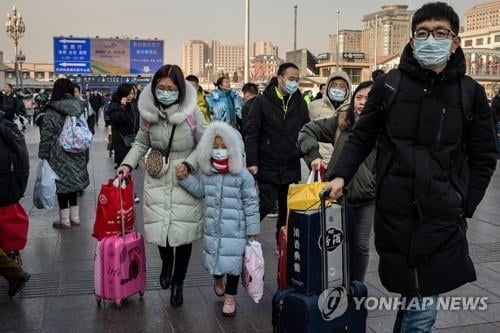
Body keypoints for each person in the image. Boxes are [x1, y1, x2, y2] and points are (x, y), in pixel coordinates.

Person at [325, 3, 497, 331]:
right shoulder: (390, 85)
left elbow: (485, 153)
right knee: (413, 293)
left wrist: (465, 200)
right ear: (412, 39)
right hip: (396, 211)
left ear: (455, 41)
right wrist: (340, 176)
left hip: (443, 213)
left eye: (440, 33)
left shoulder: (469, 92)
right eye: (423, 33)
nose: (431, 39)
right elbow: (362, 136)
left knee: (422, 304)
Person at [117, 64, 207, 308]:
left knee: (184, 235)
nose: (165, 92)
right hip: (157, 175)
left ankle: (178, 282)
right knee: (160, 230)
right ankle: (167, 263)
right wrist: (127, 165)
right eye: (161, 88)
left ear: (180, 90)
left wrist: (189, 165)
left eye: (171, 88)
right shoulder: (148, 113)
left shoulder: (191, 114)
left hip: (184, 178)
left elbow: (205, 144)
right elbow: (140, 143)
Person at [176, 121, 259, 317]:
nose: (220, 151)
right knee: (214, 259)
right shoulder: (207, 173)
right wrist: (185, 179)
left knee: (233, 265)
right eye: (215, 147)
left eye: (224, 147)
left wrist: (252, 230)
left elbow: (251, 202)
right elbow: (200, 191)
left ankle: (230, 297)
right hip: (213, 227)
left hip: (236, 229)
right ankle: (217, 278)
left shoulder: (243, 176)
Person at [299, 81, 375, 282]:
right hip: (336, 195)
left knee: (360, 245)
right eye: (359, 97)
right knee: (333, 243)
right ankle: (333, 283)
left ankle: (356, 286)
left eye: (368, 98)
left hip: (368, 197)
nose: (362, 102)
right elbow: (307, 131)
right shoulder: (342, 121)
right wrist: (313, 155)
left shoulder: (386, 126)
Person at [245, 62, 310, 246]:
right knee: (266, 203)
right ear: (279, 78)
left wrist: (307, 156)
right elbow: (252, 133)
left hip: (290, 163)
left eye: (297, 80)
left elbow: (306, 132)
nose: (294, 83)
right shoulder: (262, 102)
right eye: (291, 79)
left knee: (286, 209)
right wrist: (252, 161)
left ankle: (282, 244)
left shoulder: (300, 103)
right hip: (267, 162)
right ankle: (245, 232)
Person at [38, 78, 90, 229]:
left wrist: (43, 155)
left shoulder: (52, 109)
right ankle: (75, 217)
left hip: (58, 152)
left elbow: (46, 135)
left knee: (61, 185)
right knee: (73, 184)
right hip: (77, 151)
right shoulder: (77, 107)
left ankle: (64, 220)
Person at [306, 71, 352, 170]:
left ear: (347, 89)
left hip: (345, 166)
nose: (337, 89)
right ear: (328, 87)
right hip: (320, 165)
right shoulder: (313, 107)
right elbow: (305, 134)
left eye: (342, 86)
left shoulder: (352, 109)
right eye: (334, 85)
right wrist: (311, 159)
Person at [109, 84, 140, 168]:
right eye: (128, 94)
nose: (130, 96)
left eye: (132, 94)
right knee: (123, 166)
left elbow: (137, 119)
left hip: (132, 139)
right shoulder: (115, 105)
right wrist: (122, 107)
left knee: (130, 166)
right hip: (121, 140)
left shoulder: (133, 104)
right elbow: (116, 119)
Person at [490, 89, 500, 157]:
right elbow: (492, 113)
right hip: (497, 123)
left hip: (497, 122)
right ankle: (498, 154)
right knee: (498, 139)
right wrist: (498, 120)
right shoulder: (496, 101)